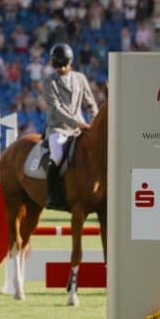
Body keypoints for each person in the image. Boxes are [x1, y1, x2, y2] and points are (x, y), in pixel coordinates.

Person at [42, 43, 98, 209]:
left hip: (80, 128)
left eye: (63, 65)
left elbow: (90, 104)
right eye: (57, 66)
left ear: (70, 62)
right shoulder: (49, 81)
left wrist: (94, 122)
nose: (60, 69)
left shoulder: (80, 78)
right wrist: (77, 123)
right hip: (58, 127)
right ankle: (51, 194)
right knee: (57, 155)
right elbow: (55, 109)